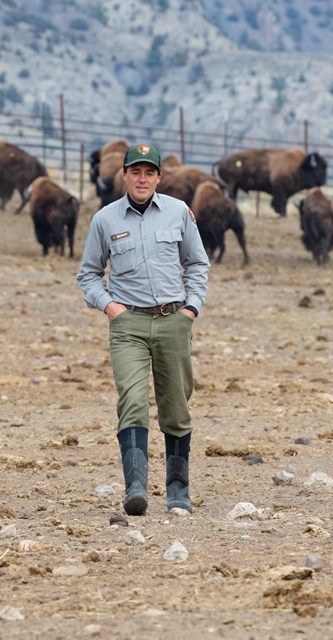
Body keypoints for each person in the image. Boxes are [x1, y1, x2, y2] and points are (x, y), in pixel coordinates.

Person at [77, 144, 210, 516]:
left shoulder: (179, 213)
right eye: (135, 172)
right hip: (128, 324)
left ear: (158, 177)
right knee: (132, 400)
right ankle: (135, 487)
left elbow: (197, 263)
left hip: (173, 320)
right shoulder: (104, 220)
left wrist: (192, 308)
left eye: (148, 172)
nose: (142, 179)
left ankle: (177, 489)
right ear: (123, 175)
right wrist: (109, 307)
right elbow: (88, 274)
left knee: (176, 406)